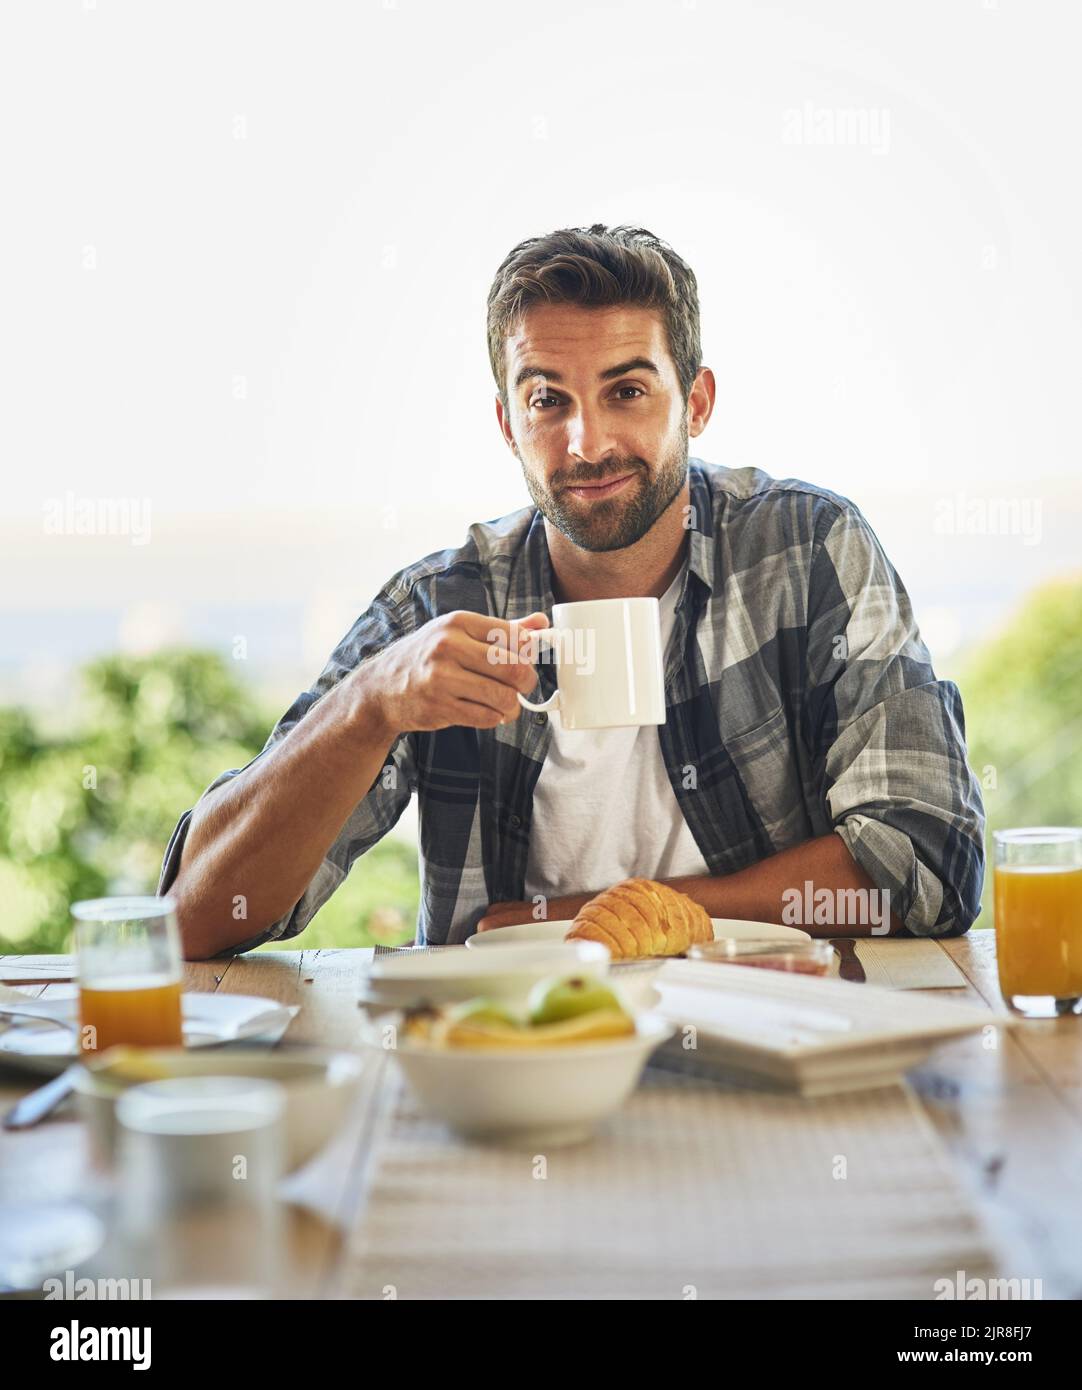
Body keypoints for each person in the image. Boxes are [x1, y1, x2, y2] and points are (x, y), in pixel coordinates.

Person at [160, 223, 985, 959]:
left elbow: (928, 856)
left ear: (695, 402)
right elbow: (196, 918)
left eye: (627, 391)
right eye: (547, 400)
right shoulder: (437, 605)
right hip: (516, 1063)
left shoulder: (806, 550)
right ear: (507, 424)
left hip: (768, 1051)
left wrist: (592, 919)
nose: (586, 443)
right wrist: (370, 702)